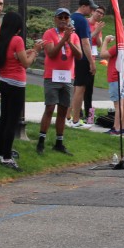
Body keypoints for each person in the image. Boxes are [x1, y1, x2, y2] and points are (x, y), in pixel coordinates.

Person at [0, 11, 40, 170]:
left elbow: (12, 56)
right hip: (16, 84)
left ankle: (1, 152)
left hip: (4, 81)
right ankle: (7, 157)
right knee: (12, 121)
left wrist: (25, 53)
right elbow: (26, 63)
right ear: (18, 27)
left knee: (4, 118)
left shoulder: (2, 39)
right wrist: (35, 51)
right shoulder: (17, 39)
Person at [38, 8, 81, 155]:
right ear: (55, 19)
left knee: (63, 110)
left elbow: (79, 55)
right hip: (52, 76)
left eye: (66, 17)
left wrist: (70, 41)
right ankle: (41, 141)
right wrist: (63, 40)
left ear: (69, 20)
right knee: (50, 108)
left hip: (68, 77)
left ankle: (59, 143)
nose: (63, 20)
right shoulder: (49, 33)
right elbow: (51, 53)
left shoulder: (74, 36)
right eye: (60, 17)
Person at [68, 0, 98, 128]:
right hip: (83, 58)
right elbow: (85, 42)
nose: (92, 11)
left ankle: (68, 116)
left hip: (73, 57)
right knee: (81, 88)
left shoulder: (70, 18)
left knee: (76, 88)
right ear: (84, 6)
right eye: (91, 8)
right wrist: (91, 62)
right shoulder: (82, 20)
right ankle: (76, 120)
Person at [103, 35, 124, 135]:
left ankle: (116, 128)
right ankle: (123, 127)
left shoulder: (118, 47)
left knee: (118, 105)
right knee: (123, 104)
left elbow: (103, 55)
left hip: (116, 78)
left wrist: (106, 41)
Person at [84, 4, 107, 120]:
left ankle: (89, 117)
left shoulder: (98, 26)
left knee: (89, 89)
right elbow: (85, 39)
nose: (99, 14)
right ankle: (75, 115)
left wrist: (98, 32)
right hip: (82, 58)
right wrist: (95, 31)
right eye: (98, 11)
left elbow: (99, 44)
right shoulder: (85, 22)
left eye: (102, 14)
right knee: (79, 88)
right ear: (93, 11)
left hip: (92, 59)